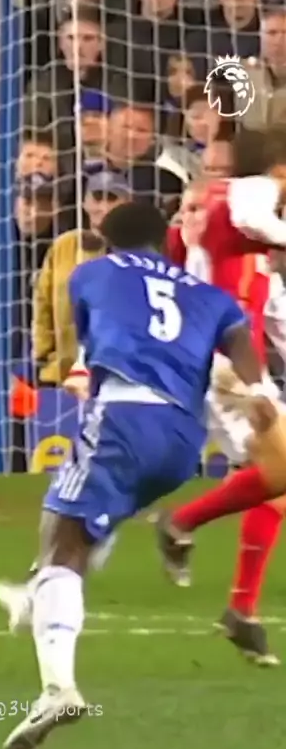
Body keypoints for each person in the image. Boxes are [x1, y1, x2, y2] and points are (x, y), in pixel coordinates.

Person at [0, 200, 276, 749]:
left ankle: (57, 685)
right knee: (91, 516)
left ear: (107, 241)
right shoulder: (208, 294)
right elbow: (241, 342)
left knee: (62, 536)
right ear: (165, 241)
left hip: (125, 414)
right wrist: (259, 391)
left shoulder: (90, 272)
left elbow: (92, 337)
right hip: (183, 441)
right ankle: (35, 595)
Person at [159, 141, 286, 663]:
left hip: (246, 374)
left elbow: (277, 321)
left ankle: (241, 611)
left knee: (276, 488)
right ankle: (180, 523)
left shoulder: (257, 262)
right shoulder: (232, 213)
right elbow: (243, 213)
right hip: (218, 369)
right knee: (279, 472)